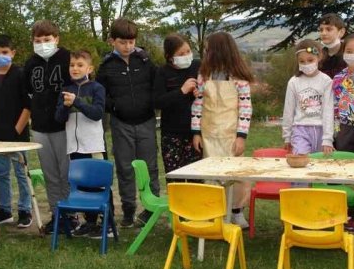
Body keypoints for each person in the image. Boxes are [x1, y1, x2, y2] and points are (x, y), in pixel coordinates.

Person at [97, 18, 159, 228]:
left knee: (149, 166)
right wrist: (114, 106)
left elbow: (157, 85)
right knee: (125, 167)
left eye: (131, 42)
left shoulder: (145, 61)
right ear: (112, 41)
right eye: (123, 42)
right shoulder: (106, 66)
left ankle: (151, 208)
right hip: (120, 123)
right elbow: (100, 94)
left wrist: (150, 102)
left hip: (146, 121)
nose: (128, 46)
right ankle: (128, 209)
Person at [191, 31, 254, 227]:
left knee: (234, 175)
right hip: (209, 134)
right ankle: (213, 211)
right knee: (211, 174)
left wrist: (241, 136)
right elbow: (197, 104)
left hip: (231, 134)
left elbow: (245, 107)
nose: (206, 53)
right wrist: (196, 132)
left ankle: (236, 211)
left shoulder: (239, 78)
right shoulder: (204, 75)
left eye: (209, 49)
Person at [0, 34, 33, 228]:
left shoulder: (21, 74)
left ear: (13, 53)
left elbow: (28, 106)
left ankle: (25, 210)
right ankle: (5, 210)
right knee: (1, 173)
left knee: (21, 172)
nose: (1, 55)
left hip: (18, 135)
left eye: (5, 52)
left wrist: (17, 130)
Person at [23, 20, 72, 226]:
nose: (42, 43)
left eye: (47, 39)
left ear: (56, 39)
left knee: (66, 173)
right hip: (40, 126)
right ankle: (57, 214)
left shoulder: (67, 58)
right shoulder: (30, 63)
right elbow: (27, 92)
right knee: (50, 174)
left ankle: (72, 214)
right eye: (38, 40)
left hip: (63, 125)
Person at [55, 49, 107, 236]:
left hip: (93, 145)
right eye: (72, 65)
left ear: (89, 68)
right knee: (82, 184)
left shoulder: (96, 88)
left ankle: (106, 222)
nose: (75, 68)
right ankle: (89, 222)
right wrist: (66, 107)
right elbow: (59, 118)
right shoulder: (66, 90)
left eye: (80, 65)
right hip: (74, 147)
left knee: (98, 184)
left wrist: (78, 102)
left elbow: (97, 114)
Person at [154, 34, 201, 174]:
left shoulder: (197, 66)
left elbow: (209, 89)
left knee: (196, 179)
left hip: (195, 133)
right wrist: (181, 91)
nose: (186, 55)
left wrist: (201, 92)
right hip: (172, 134)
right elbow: (157, 102)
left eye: (188, 51)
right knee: (175, 177)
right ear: (170, 57)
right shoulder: (162, 72)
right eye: (181, 54)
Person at [282, 39, 335, 156]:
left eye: (310, 60)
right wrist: (287, 136)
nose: (306, 64)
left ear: (319, 57)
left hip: (321, 130)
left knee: (320, 165)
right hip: (300, 130)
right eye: (302, 61)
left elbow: (328, 111)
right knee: (301, 160)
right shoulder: (294, 82)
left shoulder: (326, 81)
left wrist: (328, 139)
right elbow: (288, 110)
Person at [318, 13, 348, 78]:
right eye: (321, 30)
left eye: (329, 29)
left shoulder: (349, 54)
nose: (323, 33)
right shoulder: (318, 56)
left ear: (341, 32)